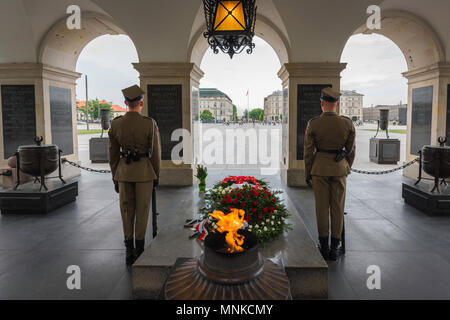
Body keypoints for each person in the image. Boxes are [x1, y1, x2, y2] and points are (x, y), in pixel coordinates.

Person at [108, 85, 161, 265]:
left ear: (125, 103)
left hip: (123, 172)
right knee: (142, 210)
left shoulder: (116, 123)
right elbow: (155, 152)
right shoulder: (149, 123)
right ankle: (140, 248)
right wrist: (156, 175)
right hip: (144, 173)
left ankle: (128, 249)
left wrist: (115, 175)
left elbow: (113, 154)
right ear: (141, 103)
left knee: (126, 210)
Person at [304, 87, 356, 261]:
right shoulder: (347, 123)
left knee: (321, 208)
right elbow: (351, 150)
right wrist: (346, 166)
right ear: (337, 104)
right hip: (339, 169)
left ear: (321, 103)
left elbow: (308, 151)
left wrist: (308, 173)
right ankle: (335, 247)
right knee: (338, 208)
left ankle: (323, 246)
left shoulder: (314, 123)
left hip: (319, 169)